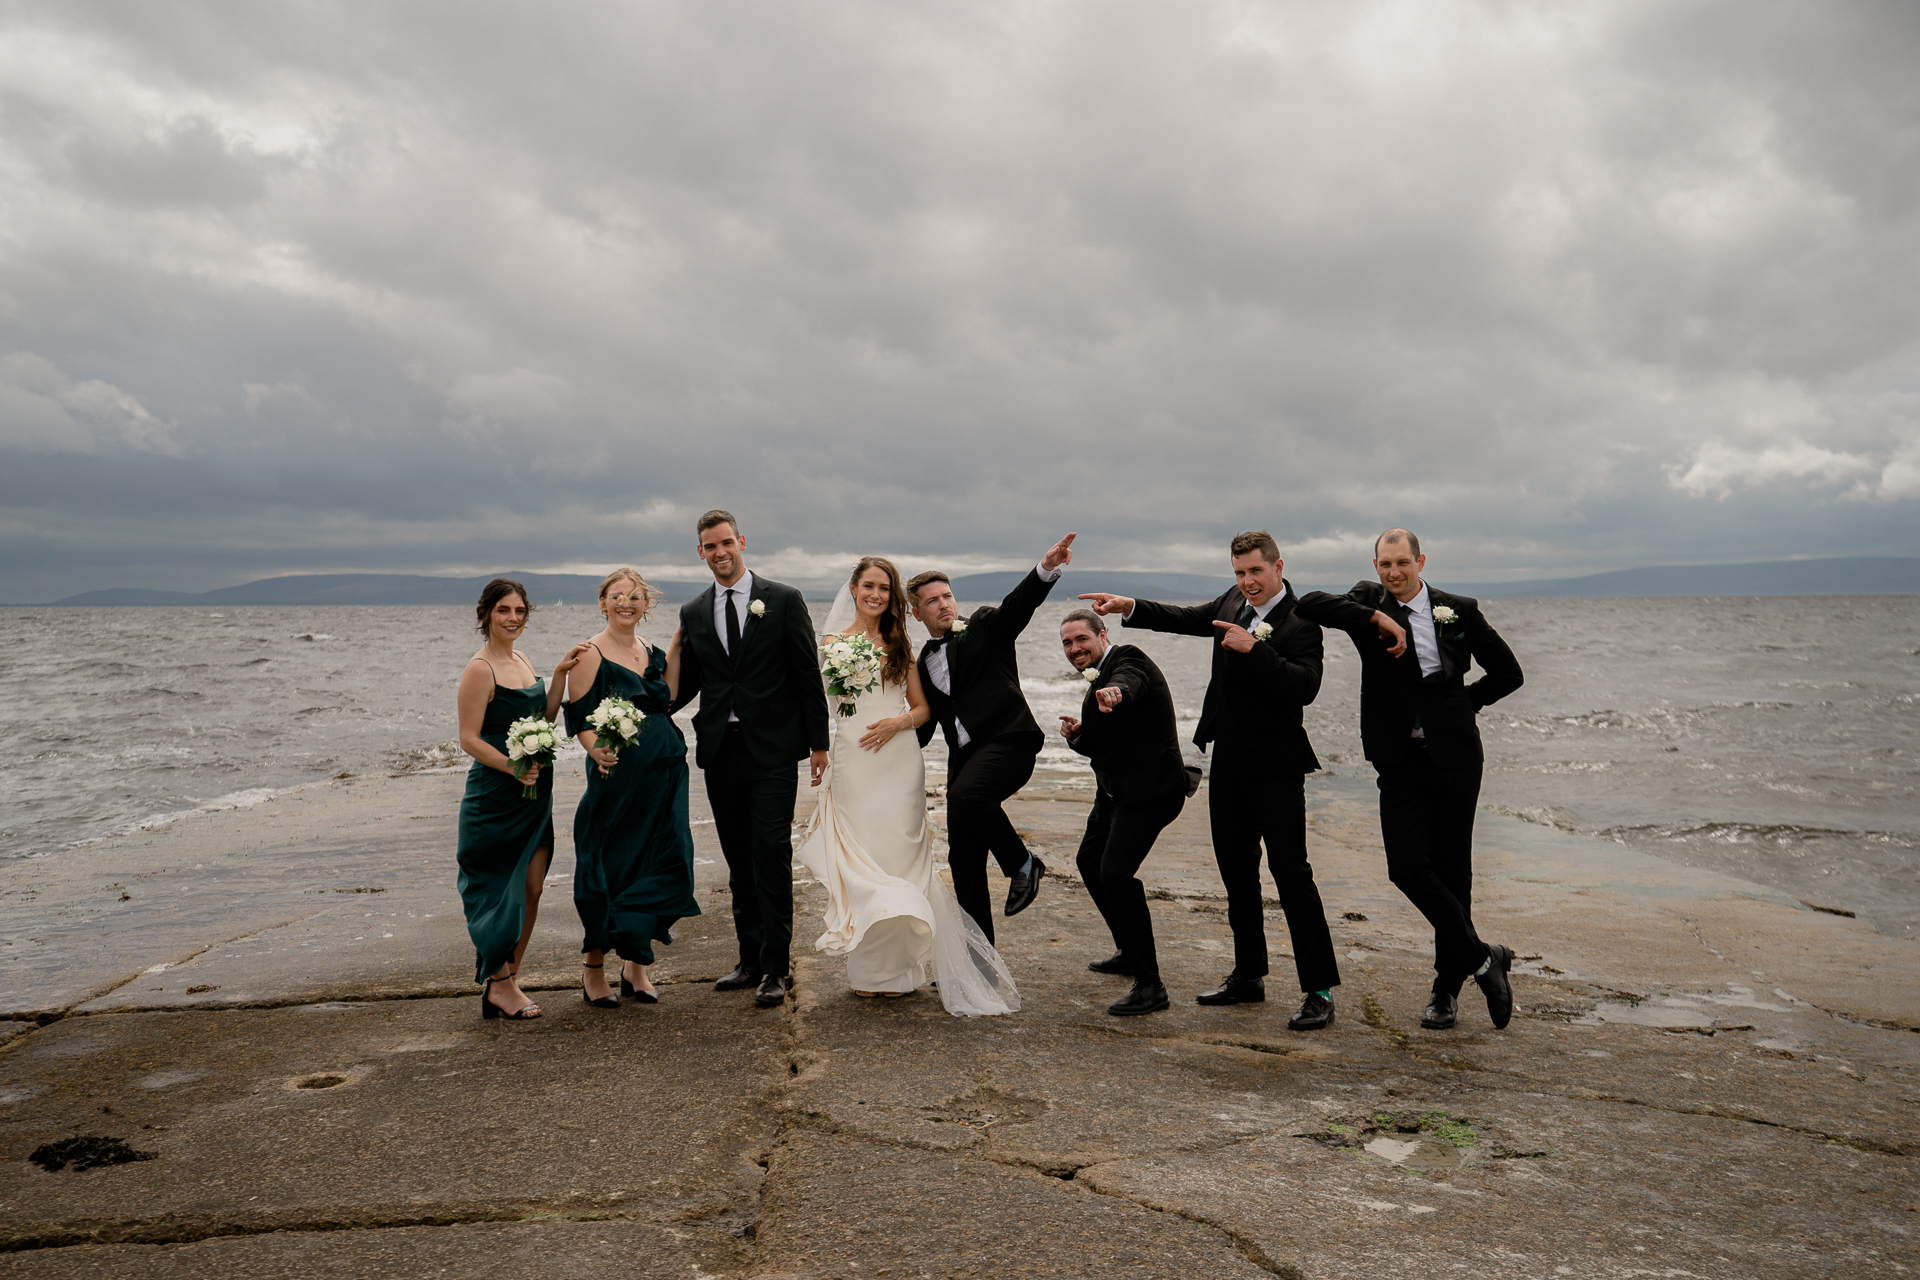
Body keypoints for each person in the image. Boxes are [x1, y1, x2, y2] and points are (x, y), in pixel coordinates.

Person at [1080, 530, 1343, 1032]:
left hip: (1279, 768)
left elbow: (1305, 687)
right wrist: (1129, 605)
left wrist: (1255, 649)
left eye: (1255, 572)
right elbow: (1187, 619)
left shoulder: (1303, 622)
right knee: (1236, 873)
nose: (1247, 582)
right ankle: (1248, 975)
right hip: (1230, 763)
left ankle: (1319, 990)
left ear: (1278, 567)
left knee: (1292, 875)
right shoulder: (1230, 603)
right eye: (1239, 573)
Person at [1294, 529, 1525, 1030]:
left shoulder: (1456, 608)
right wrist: (1374, 616)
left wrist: (1468, 702)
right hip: (1397, 759)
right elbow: (1310, 604)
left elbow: (1509, 672)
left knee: (1452, 871)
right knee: (1406, 867)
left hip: (1457, 758)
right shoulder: (1366, 599)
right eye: (1385, 565)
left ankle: (1446, 990)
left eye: (1402, 563)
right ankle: (1485, 960)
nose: (1394, 573)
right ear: (1374, 565)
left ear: (1421, 560)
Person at [795, 558, 1019, 1015]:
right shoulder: (833, 643)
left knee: (900, 860)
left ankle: (902, 971)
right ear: (854, 589)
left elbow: (921, 710)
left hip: (897, 762)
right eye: (868, 586)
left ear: (891, 596)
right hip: (854, 761)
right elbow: (826, 707)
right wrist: (820, 751)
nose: (875, 594)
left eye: (884, 588)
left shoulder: (900, 641)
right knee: (864, 860)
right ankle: (870, 973)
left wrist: (895, 722)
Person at [671, 511, 832, 1009]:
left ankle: (775, 969)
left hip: (774, 750)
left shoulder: (783, 600)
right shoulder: (694, 611)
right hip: (721, 751)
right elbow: (690, 684)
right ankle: (747, 960)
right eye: (708, 546)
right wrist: (644, 709)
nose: (719, 552)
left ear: (740, 542)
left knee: (769, 853)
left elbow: (807, 673)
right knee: (739, 860)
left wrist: (818, 745)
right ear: (700, 552)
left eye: (725, 543)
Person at [907, 533, 1076, 944]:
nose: (943, 604)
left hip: (1008, 742)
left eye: (946, 595)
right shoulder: (923, 661)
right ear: (916, 613)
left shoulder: (984, 626)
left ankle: (1022, 864)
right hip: (964, 762)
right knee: (963, 861)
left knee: (967, 798)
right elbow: (925, 729)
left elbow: (1019, 606)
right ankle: (979, 966)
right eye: (932, 600)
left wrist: (1046, 568)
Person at [564, 568, 701, 1009]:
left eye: (635, 597)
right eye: (617, 596)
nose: (626, 603)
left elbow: (668, 697)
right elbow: (581, 718)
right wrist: (595, 751)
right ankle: (593, 969)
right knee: (608, 861)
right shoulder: (589, 654)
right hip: (617, 777)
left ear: (647, 605)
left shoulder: (653, 650)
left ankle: (637, 965)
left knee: (665, 857)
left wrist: (677, 647)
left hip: (665, 772)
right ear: (602, 602)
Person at [454, 578, 579, 1020]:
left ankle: (507, 980)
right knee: (496, 890)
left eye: (520, 611)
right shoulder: (479, 669)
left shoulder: (523, 658)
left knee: (531, 888)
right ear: (486, 614)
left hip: (534, 794)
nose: (512, 619)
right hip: (495, 796)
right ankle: (501, 984)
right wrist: (513, 767)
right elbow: (469, 738)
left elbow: (542, 719)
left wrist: (560, 676)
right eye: (504, 610)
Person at [1057, 610, 1191, 1017]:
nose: (1075, 649)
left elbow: (1129, 683)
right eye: (1067, 643)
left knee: (1115, 872)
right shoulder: (1097, 677)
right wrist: (1079, 734)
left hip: (1152, 791)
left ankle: (1151, 986)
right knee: (1089, 861)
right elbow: (1102, 741)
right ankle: (1128, 950)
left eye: (1081, 639)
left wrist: (1116, 692)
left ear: (1102, 634)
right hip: (1114, 792)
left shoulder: (1127, 660)